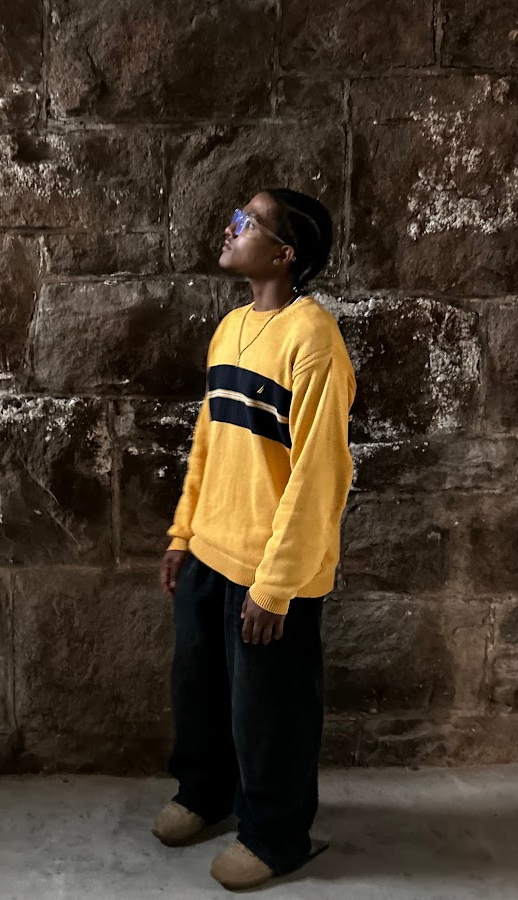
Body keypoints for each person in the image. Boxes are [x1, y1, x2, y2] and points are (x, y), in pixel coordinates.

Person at [153, 188, 357, 891]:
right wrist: (183, 534)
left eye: (247, 222)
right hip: (210, 552)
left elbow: (319, 476)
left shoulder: (314, 339)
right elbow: (207, 444)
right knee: (200, 690)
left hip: (271, 571)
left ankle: (275, 835)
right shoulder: (230, 328)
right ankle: (205, 795)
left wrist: (275, 587)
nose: (230, 227)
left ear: (284, 253)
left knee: (270, 711)